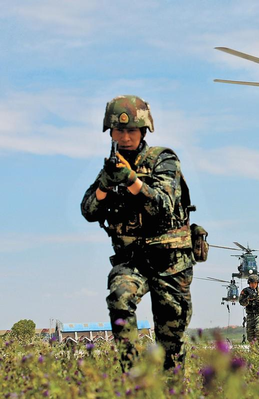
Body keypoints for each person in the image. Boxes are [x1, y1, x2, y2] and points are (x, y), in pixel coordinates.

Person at [81, 95, 205, 371]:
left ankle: (171, 388)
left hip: (170, 261)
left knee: (170, 339)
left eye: (131, 131)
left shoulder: (163, 160)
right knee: (119, 298)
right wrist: (105, 184)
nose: (125, 137)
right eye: (119, 131)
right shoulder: (111, 169)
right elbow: (88, 210)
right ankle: (132, 376)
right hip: (132, 260)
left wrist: (132, 181)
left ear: (143, 131)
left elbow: (163, 206)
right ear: (110, 133)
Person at [238, 275, 259, 345]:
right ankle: (253, 351)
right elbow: (241, 302)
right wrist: (248, 298)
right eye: (251, 283)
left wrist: (257, 297)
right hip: (250, 316)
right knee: (250, 337)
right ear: (249, 283)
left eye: (255, 283)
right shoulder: (245, 291)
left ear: (257, 283)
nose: (253, 285)